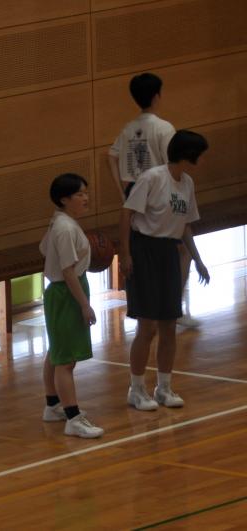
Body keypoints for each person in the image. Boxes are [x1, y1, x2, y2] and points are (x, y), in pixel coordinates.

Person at [119, 130, 210, 411]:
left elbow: (185, 225)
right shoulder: (152, 178)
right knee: (147, 326)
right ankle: (136, 390)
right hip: (144, 250)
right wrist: (125, 254)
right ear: (189, 155)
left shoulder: (188, 183)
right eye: (201, 155)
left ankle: (164, 387)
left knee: (169, 324)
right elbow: (126, 214)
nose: (203, 160)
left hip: (169, 252)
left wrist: (197, 259)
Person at [108, 72, 199, 327]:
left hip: (134, 193)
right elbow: (173, 162)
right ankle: (173, 306)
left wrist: (121, 191)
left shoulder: (128, 128)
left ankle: (154, 308)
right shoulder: (163, 128)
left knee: (145, 250)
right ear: (157, 96)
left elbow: (111, 156)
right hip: (157, 193)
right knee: (180, 249)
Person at [39, 173, 104, 439]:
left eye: (86, 192)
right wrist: (85, 305)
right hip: (66, 292)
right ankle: (73, 418)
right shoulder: (65, 228)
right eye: (80, 194)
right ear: (64, 199)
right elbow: (67, 271)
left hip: (63, 291)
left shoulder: (59, 221)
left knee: (57, 352)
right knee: (66, 361)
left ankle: (52, 405)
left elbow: (43, 249)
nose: (86, 198)